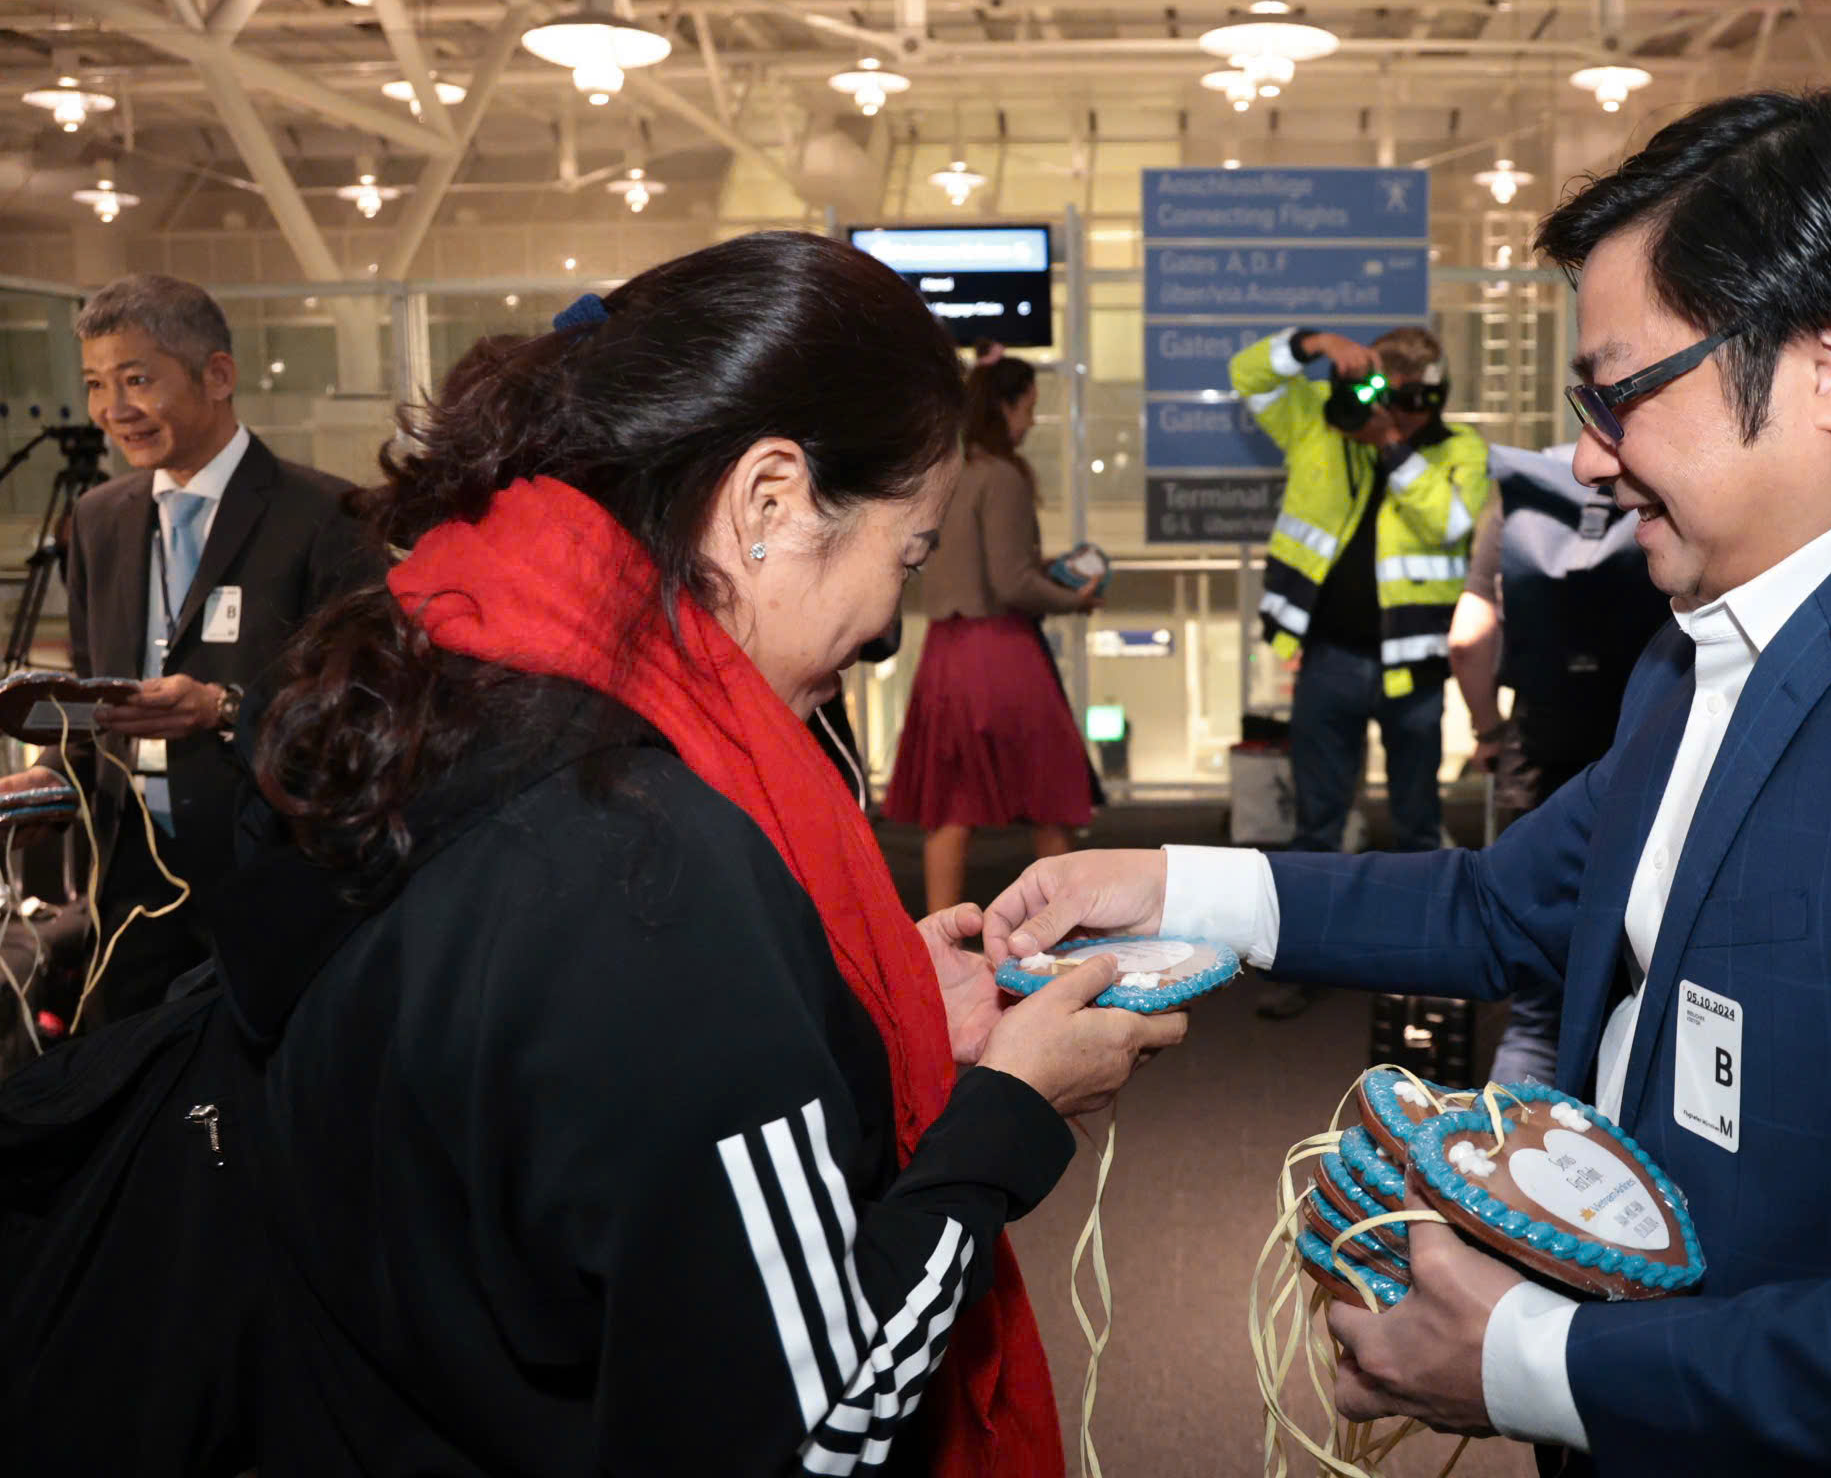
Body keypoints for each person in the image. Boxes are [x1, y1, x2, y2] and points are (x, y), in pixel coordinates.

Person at [982, 92, 1831, 1471]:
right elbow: (1502, 906)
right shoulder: (1703, 651)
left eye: (1621, 395)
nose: (1591, 459)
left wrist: (1529, 1361)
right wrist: (1177, 887)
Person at [217, 233, 1181, 1472]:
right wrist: (1005, 1120)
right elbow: (818, 1431)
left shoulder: (432, 687)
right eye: (910, 552)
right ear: (769, 501)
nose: (890, 626)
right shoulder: (653, 871)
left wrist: (840, 1015)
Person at [0, 273, 371, 1026]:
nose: (114, 410)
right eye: (98, 385)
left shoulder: (329, 515)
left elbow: (370, 702)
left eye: (138, 379)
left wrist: (226, 709)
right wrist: (45, 778)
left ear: (218, 375)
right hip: (132, 873)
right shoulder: (98, 520)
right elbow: (93, 691)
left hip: (275, 864)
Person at [1237, 324, 1488, 1018]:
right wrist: (1311, 343)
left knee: (1417, 826)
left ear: (1431, 399)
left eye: (1404, 402)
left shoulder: (1459, 451)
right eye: (1380, 397)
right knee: (1317, 826)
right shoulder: (1322, 427)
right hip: (1328, 661)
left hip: (1414, 672)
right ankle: (1304, 961)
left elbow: (1446, 521)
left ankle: (1421, 968)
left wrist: (1390, 446)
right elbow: (1247, 375)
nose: (1386, 410)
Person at [1450, 446, 1668, 1086]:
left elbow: (1467, 639)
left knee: (1541, 1008)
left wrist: (1488, 729)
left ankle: (1510, 1169)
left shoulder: (1518, 505)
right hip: (1648, 753)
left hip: (1539, 755)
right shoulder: (1659, 495)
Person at [884, 356, 1101, 913]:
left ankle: (936, 944)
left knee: (952, 812)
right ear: (1006, 406)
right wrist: (1074, 599)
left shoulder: (948, 470)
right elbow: (1011, 582)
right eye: (1029, 408)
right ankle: (1063, 933)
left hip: (946, 653)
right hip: (1001, 655)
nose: (1030, 422)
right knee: (1050, 802)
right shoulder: (1002, 475)